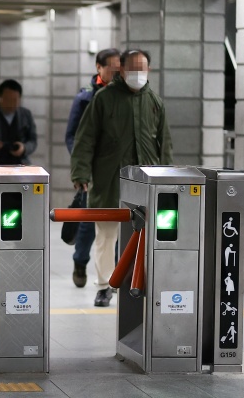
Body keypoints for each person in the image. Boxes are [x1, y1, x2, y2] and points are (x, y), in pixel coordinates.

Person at [71, 49, 173, 306]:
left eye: (143, 68)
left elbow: (165, 144)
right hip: (109, 180)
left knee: (146, 234)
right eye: (133, 68)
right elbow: (85, 138)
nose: (138, 74)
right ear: (122, 70)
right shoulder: (104, 99)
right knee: (106, 234)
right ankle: (105, 285)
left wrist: (169, 177)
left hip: (146, 180)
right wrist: (81, 173)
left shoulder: (154, 101)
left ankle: (140, 281)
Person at [65, 48, 120, 288]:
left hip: (116, 172)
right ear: (99, 67)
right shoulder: (86, 97)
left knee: (116, 224)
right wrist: (83, 169)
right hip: (93, 172)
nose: (116, 73)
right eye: (111, 68)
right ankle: (80, 261)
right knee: (90, 222)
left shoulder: (124, 96)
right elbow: (74, 137)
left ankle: (113, 274)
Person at [0, 79, 37, 165]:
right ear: (0, 98)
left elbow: (33, 140)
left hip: (20, 164)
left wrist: (24, 148)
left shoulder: (26, 115)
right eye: (8, 99)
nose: (12, 104)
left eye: (15, 100)